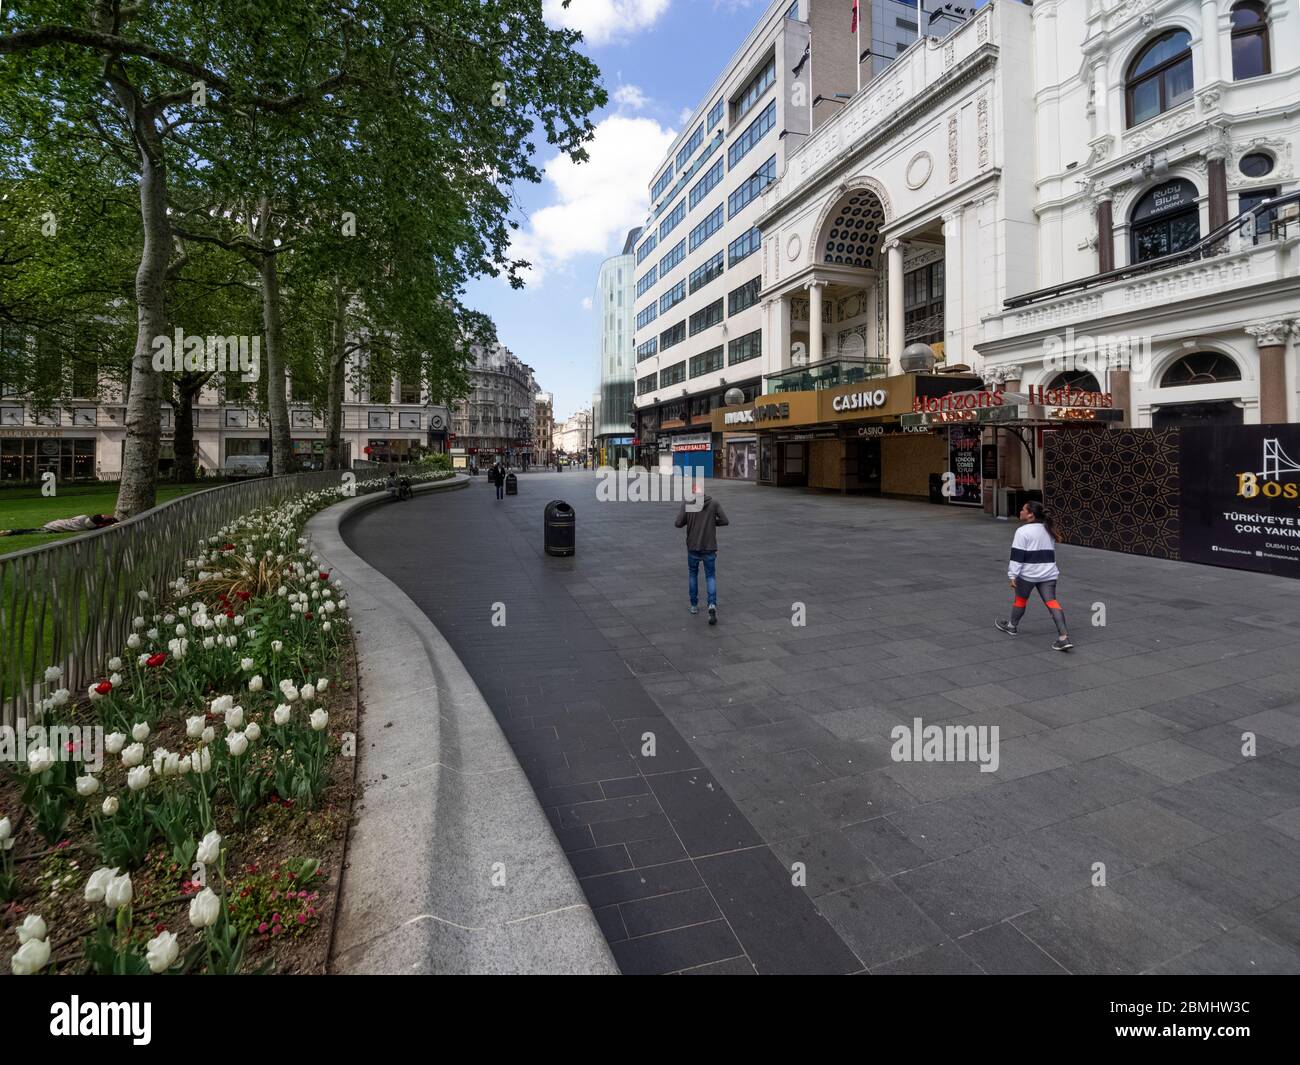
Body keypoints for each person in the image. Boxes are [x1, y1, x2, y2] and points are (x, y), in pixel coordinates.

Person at [996, 500, 1073, 651]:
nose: (1020, 512)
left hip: (1028, 575)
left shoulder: (1022, 531)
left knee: (1020, 600)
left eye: (1023, 510)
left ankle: (1012, 626)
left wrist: (1012, 575)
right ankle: (1064, 638)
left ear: (1030, 514)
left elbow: (1017, 555)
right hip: (1048, 574)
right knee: (1052, 603)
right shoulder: (1048, 528)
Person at [674, 489, 729, 625]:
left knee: (693, 574)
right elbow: (725, 521)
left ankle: (694, 605)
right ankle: (712, 604)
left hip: (693, 546)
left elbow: (678, 523)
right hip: (709, 546)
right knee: (710, 576)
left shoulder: (687, 504)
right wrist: (712, 522)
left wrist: (689, 520)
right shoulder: (714, 503)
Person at [0, 513, 118, 536]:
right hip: (54, 528)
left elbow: (100, 516)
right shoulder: (88, 527)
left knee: (31, 530)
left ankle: (11, 531)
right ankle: (11, 532)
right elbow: (99, 521)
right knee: (31, 531)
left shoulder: (83, 518)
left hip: (55, 524)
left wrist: (107, 517)